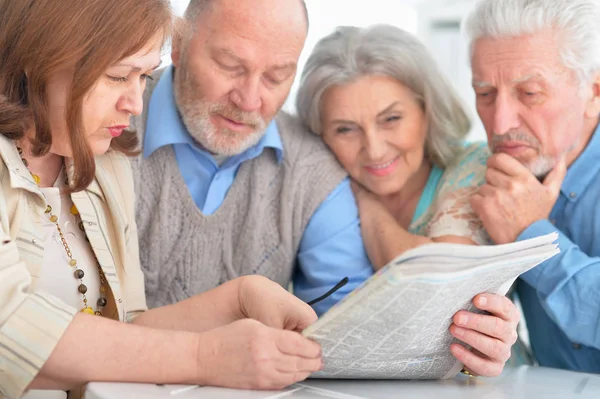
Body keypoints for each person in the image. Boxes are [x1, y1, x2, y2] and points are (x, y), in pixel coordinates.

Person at [133, 0, 519, 377]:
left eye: (276, 76)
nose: (250, 99)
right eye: (230, 66)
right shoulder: (110, 123)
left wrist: (473, 346)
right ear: (178, 47)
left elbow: (352, 329)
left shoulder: (314, 168)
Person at [0, 1, 323, 398]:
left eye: (144, 77)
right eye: (118, 76)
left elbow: (124, 339)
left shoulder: (107, 166)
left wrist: (241, 297)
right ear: (39, 61)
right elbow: (9, 331)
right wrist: (206, 354)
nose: (135, 105)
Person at [295, 24, 517, 377]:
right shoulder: (316, 190)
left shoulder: (474, 165)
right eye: (345, 129)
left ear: (427, 111)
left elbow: (436, 284)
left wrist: (368, 206)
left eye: (392, 119)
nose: (374, 149)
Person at [464, 0, 600, 373]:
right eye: (485, 94)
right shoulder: (486, 177)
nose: (501, 123)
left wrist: (531, 234)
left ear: (594, 92)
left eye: (529, 93)